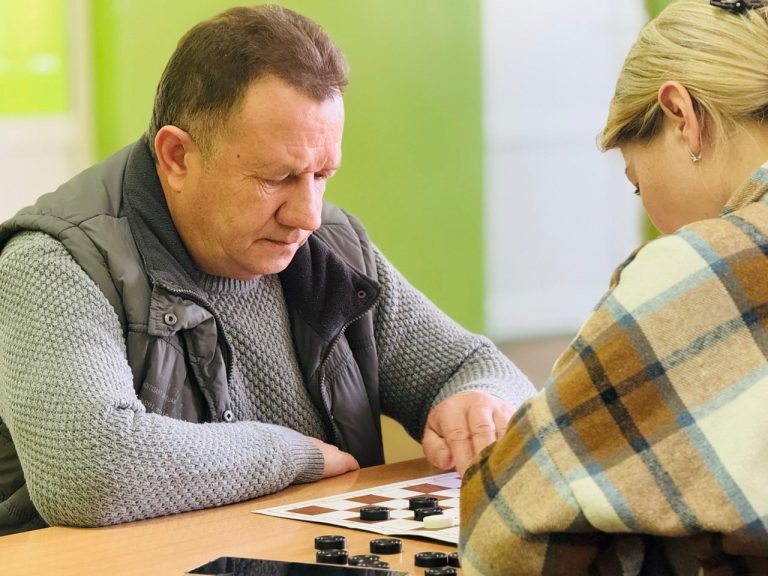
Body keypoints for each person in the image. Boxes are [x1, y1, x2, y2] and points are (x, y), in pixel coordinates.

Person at [0, 5, 535, 535]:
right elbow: (90, 472)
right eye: (277, 178)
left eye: (322, 174)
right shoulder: (52, 263)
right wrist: (291, 455)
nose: (306, 215)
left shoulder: (330, 245)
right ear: (177, 156)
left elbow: (470, 366)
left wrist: (480, 404)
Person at [460, 0, 768, 574]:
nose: (651, 213)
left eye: (636, 183)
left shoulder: (696, 267)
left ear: (680, 114)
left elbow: (503, 530)